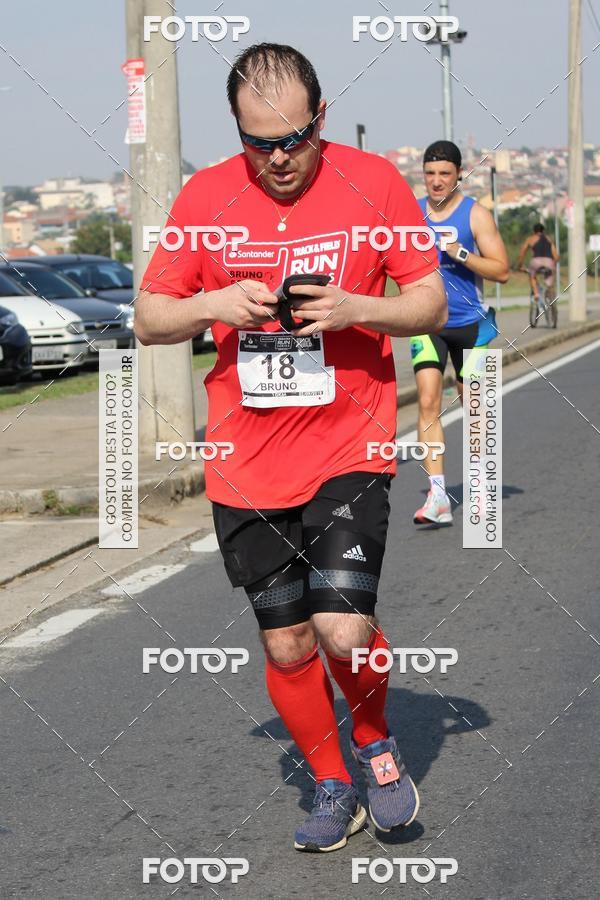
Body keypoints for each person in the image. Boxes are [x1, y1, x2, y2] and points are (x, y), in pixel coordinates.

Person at [135, 43, 446, 852]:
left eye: (293, 140)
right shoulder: (205, 197)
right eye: (257, 144)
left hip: (350, 438)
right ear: (236, 133)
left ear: (321, 119)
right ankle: (331, 780)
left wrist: (354, 309)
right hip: (246, 455)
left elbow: (430, 304)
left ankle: (374, 743)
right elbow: (149, 318)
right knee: (287, 638)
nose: (277, 159)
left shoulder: (373, 183)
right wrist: (212, 301)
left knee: (343, 629)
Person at [410, 140, 509, 527]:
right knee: (428, 399)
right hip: (428, 322)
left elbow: (501, 270)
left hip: (472, 325)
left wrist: (460, 254)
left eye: (444, 174)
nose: (436, 181)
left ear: (458, 175)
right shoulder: (411, 214)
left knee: (478, 409)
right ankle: (437, 496)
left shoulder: (475, 215)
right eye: (430, 174)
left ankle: (481, 489)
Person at [517, 222, 559, 300]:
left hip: (536, 262)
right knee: (549, 279)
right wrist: (553, 264)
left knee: (532, 275)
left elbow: (522, 252)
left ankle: (536, 294)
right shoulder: (549, 239)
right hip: (549, 262)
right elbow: (556, 256)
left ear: (534, 231)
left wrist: (520, 265)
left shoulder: (531, 239)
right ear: (543, 231)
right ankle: (550, 292)